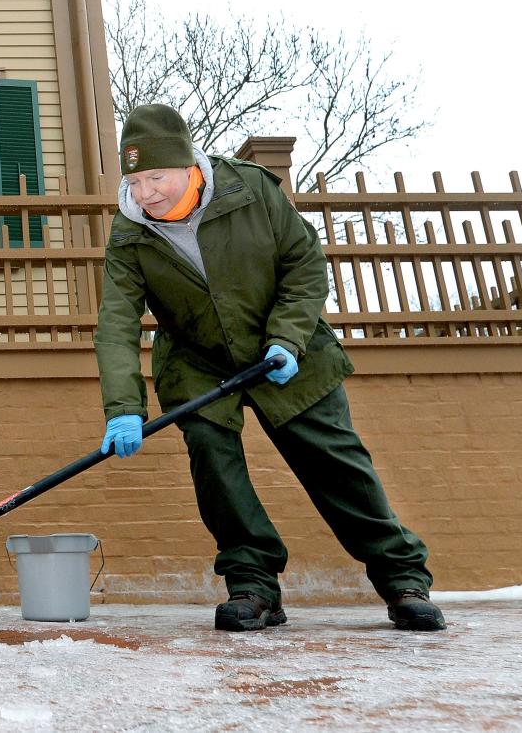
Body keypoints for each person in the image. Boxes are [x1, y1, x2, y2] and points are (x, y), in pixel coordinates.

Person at [94, 103, 445, 632]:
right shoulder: (128, 233)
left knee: (333, 461)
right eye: (135, 180)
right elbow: (117, 324)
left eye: (156, 177)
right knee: (214, 463)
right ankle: (253, 585)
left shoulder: (251, 190)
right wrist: (123, 407)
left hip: (287, 345)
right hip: (196, 360)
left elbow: (303, 265)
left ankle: (401, 578)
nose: (145, 193)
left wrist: (287, 339)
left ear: (188, 165)